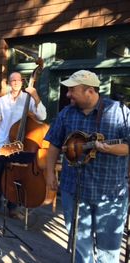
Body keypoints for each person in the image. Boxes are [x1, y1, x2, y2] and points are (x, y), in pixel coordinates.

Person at [45, 70, 129, 263]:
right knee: (79, 246)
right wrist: (50, 174)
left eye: (72, 90)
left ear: (89, 91)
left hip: (110, 193)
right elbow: (54, 145)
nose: (67, 95)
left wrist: (109, 149)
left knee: (108, 249)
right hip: (73, 189)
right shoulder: (66, 113)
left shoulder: (120, 111)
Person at [0, 72, 47, 219]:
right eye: (13, 80)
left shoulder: (28, 99)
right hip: (3, 144)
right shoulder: (2, 101)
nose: (15, 82)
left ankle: (12, 208)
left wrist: (36, 97)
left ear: (22, 82)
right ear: (9, 83)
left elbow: (42, 116)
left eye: (18, 80)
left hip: (20, 146)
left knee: (16, 178)